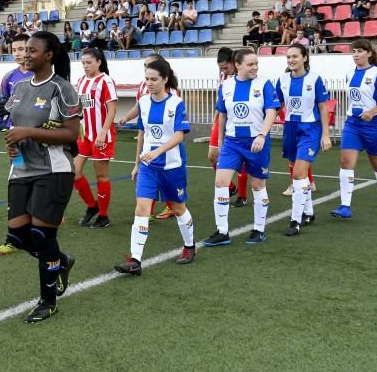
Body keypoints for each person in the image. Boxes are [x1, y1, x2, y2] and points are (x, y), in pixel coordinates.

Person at [2, 31, 81, 322]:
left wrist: (29, 133)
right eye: (24, 51)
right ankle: (61, 261)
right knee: (18, 234)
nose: (25, 55)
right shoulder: (20, 87)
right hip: (22, 169)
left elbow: (73, 134)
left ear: (48, 55)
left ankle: (47, 301)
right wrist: (12, 145)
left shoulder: (62, 89)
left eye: (32, 51)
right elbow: (14, 126)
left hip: (54, 169)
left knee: (41, 233)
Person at [114, 58, 196, 275]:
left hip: (172, 167)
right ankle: (135, 261)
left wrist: (159, 151)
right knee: (141, 209)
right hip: (149, 167)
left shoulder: (176, 103)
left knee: (178, 208)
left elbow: (180, 135)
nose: (149, 83)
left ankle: (189, 247)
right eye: (147, 79)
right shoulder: (143, 102)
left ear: (165, 79)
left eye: (154, 79)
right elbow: (143, 134)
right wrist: (137, 164)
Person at [205, 48, 280, 247]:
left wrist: (262, 136)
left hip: (257, 142)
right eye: (250, 64)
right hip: (232, 142)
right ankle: (222, 231)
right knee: (221, 182)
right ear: (237, 65)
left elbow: (271, 112)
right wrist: (220, 142)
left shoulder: (264, 84)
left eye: (256, 64)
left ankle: (259, 229)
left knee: (257, 186)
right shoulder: (226, 85)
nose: (254, 67)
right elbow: (222, 115)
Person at [331, 39, 377, 220]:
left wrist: (373, 111)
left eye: (359, 51)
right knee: (345, 162)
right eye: (353, 51)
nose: (356, 54)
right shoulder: (349, 74)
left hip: (376, 125)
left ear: (369, 53)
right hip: (353, 124)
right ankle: (345, 206)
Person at [276, 44, 331, 235]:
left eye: (295, 56)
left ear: (305, 58)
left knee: (298, 173)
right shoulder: (282, 80)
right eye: (288, 57)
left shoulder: (315, 79)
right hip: (290, 128)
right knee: (299, 172)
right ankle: (308, 212)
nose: (291, 60)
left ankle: (295, 220)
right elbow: (276, 105)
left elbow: (323, 107)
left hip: (310, 129)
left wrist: (325, 135)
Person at [73, 48, 118, 228]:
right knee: (73, 172)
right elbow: (79, 109)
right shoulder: (81, 81)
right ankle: (92, 207)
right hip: (83, 135)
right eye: (83, 63)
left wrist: (103, 132)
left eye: (89, 62)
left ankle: (103, 216)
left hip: (101, 135)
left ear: (99, 62)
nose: (85, 66)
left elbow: (112, 109)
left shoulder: (106, 81)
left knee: (101, 176)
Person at [207, 48, 250, 208]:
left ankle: (242, 195)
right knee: (212, 156)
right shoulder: (224, 78)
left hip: (238, 120)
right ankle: (230, 187)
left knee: (241, 158)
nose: (224, 71)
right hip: (222, 119)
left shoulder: (245, 77)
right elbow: (221, 101)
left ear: (234, 63)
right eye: (221, 68)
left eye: (226, 67)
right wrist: (215, 119)